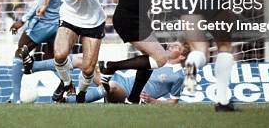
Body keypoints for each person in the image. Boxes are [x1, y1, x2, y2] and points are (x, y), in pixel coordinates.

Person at [37, 0, 106, 103]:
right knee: (59, 55)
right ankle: (68, 85)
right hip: (69, 17)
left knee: (88, 69)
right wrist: (45, 4)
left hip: (93, 21)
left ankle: (81, 93)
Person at [30, 41, 189, 104]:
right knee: (81, 59)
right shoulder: (155, 58)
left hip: (127, 93)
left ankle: (64, 102)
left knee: (111, 86)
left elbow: (173, 102)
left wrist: (152, 101)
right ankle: (33, 66)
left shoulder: (178, 74)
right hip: (119, 78)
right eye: (172, 44)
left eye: (176, 47)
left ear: (181, 56)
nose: (170, 46)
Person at [8, 0, 62, 103]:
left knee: (19, 53)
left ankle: (15, 98)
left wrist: (22, 20)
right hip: (58, 22)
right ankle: (69, 86)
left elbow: (39, 2)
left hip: (42, 22)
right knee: (52, 58)